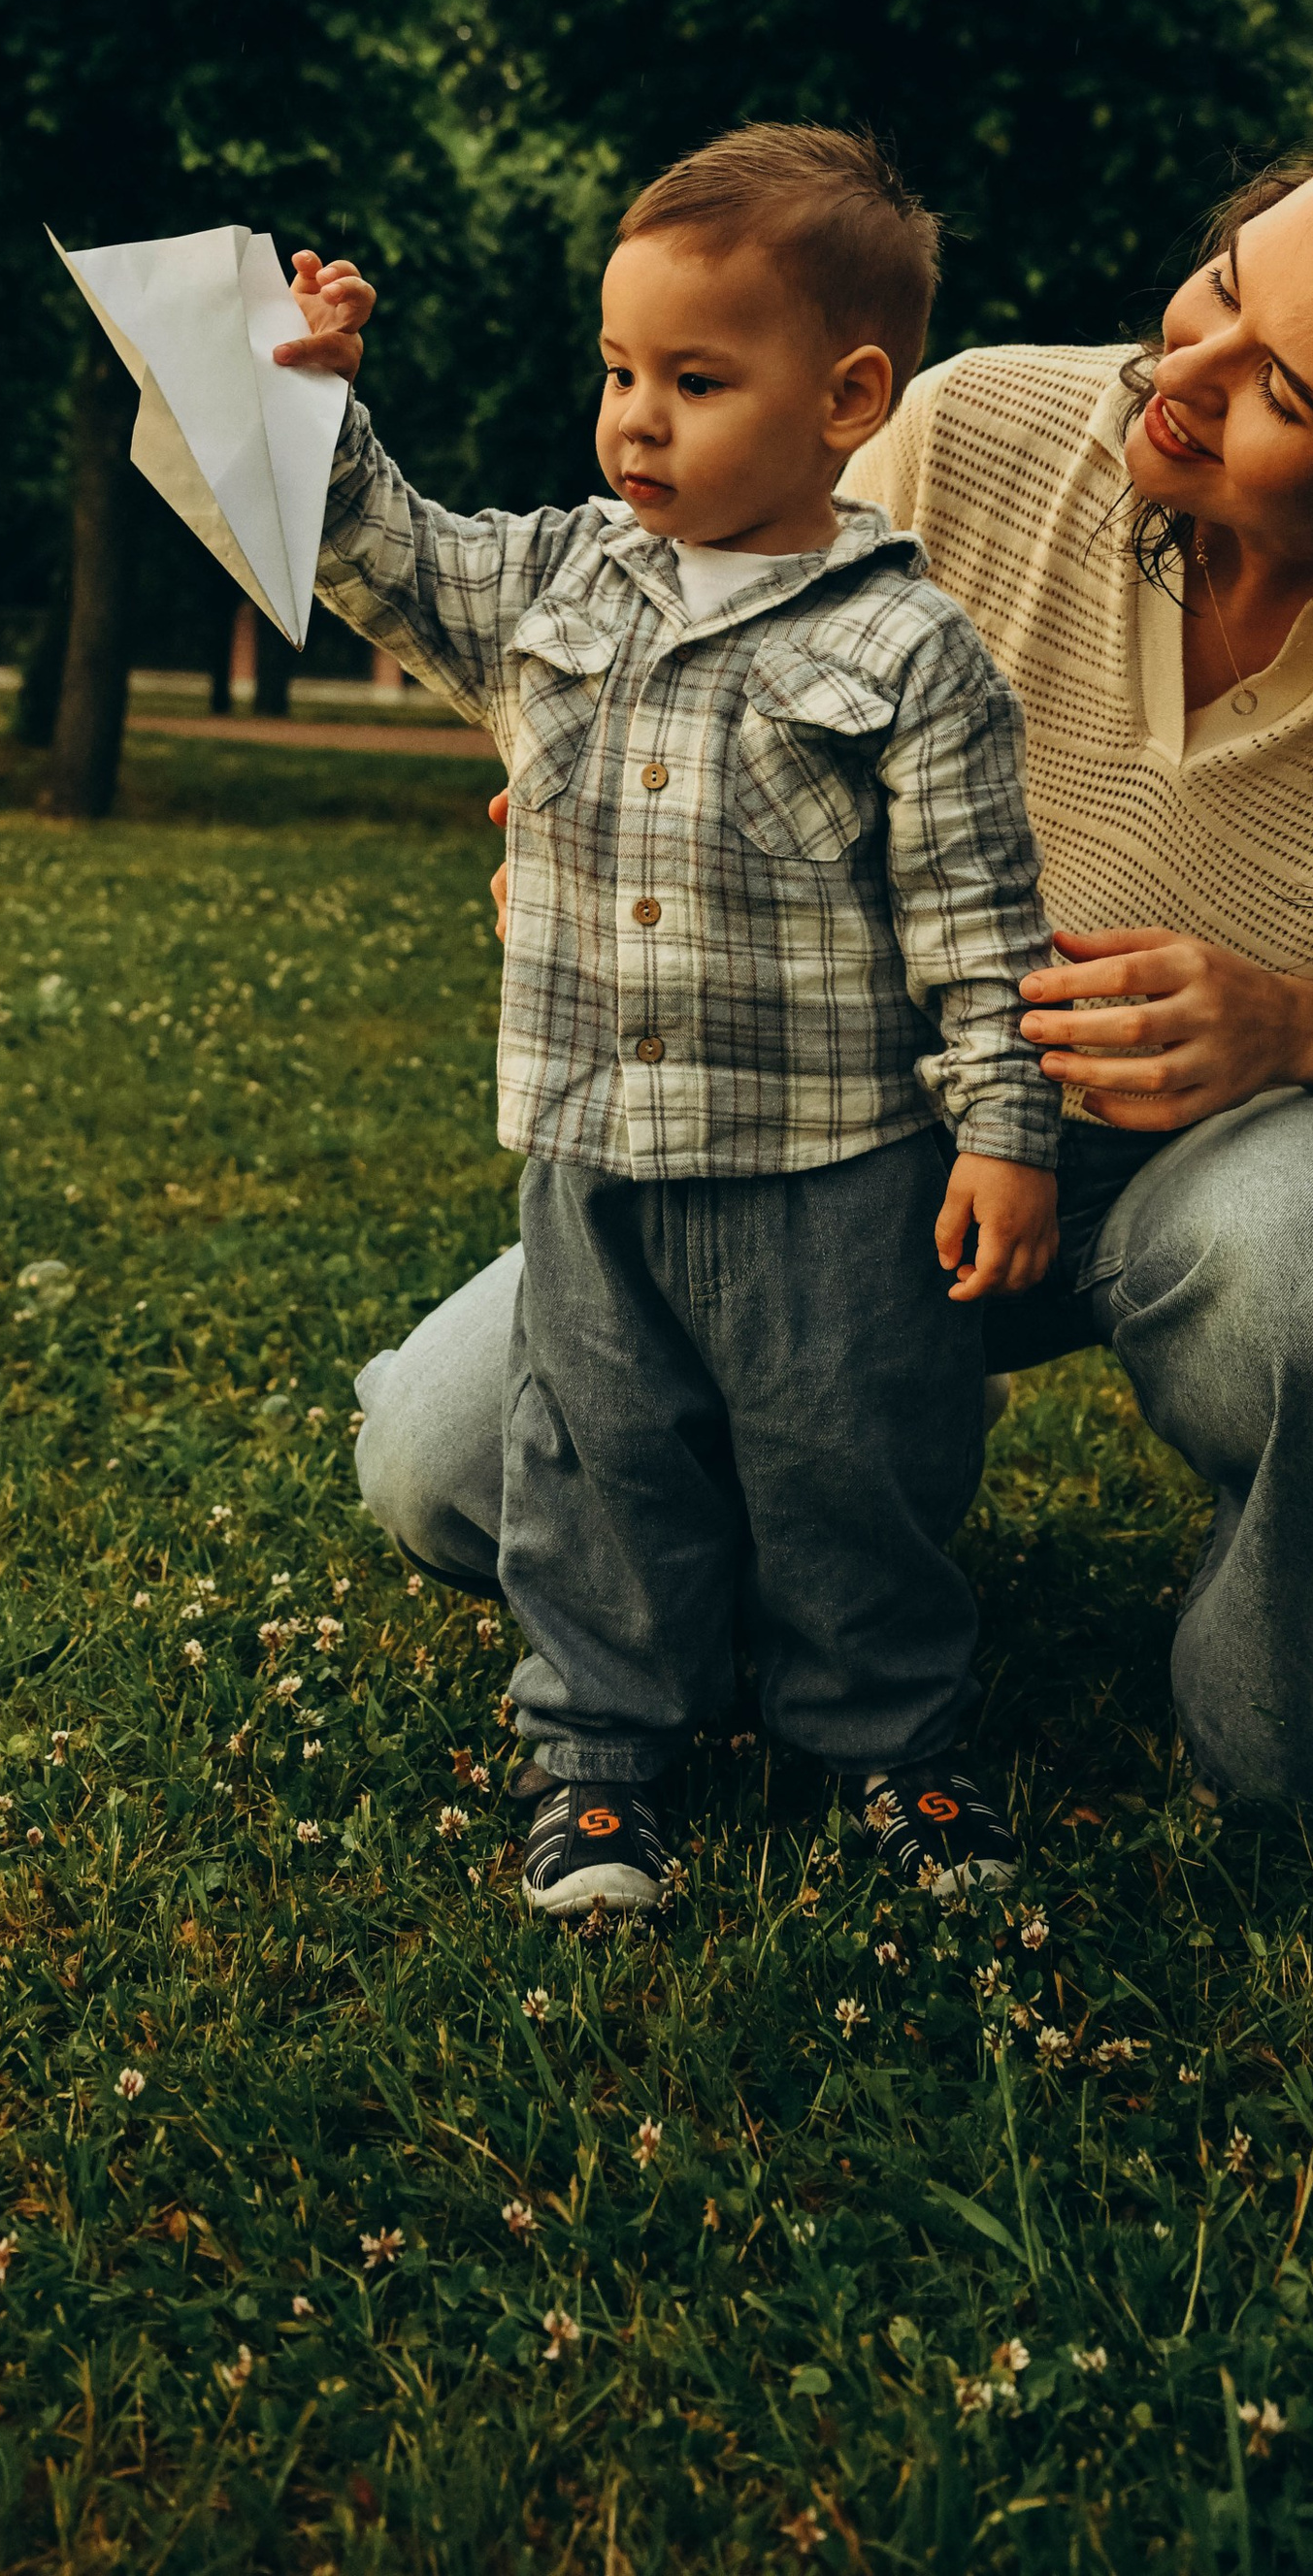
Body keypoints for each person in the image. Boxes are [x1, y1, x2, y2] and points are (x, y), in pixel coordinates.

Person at [353, 83, 1313, 1815]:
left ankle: (1271, 1679)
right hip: (841, 1150)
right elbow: (673, 635)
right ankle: (798, 1565)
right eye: (1227, 285)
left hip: (1216, 1180)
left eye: (1282, 392)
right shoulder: (985, 426)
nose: (1184, 372)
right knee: (439, 1468)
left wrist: (1299, 1030)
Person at [279, 127, 1066, 1915]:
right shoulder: (560, 581)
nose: (636, 419)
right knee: (589, 1453)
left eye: (695, 381)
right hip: (592, 1155)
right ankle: (605, 1764)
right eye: (620, 371)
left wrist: (1009, 1132)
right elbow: (381, 554)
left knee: (848, 1456)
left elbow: (974, 919)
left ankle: (888, 1742)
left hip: (829, 1164)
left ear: (847, 395)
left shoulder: (915, 650)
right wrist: (324, 407)